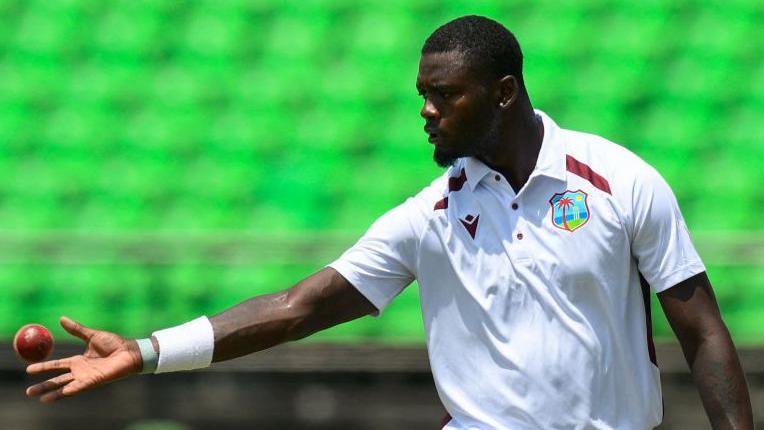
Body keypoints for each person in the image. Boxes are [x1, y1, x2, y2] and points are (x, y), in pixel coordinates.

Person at [26, 15, 752, 430]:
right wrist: (146, 351)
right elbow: (295, 308)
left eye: (445, 95)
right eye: (422, 94)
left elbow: (703, 332)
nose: (426, 111)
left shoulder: (620, 181)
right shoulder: (430, 216)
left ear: (503, 94)